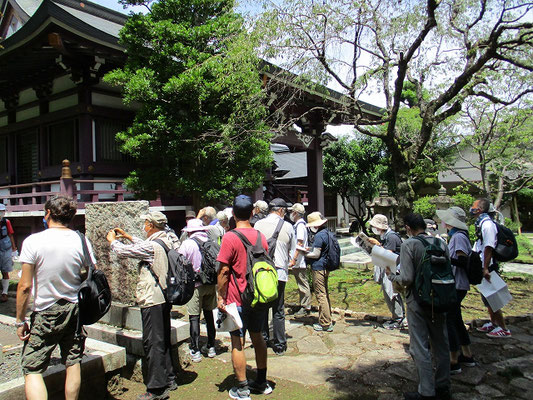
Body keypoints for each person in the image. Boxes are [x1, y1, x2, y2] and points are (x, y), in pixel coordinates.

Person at [16, 195, 93, 400]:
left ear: (48, 213)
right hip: (74, 307)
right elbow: (90, 273)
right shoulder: (82, 240)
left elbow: (24, 286)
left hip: (46, 309)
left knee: (32, 367)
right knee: (73, 360)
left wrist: (20, 319)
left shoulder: (34, 241)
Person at [108, 211, 177, 400]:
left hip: (152, 298)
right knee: (162, 339)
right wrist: (130, 237)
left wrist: (112, 241)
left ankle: (156, 389)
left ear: (152, 226)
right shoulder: (167, 239)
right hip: (164, 297)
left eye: (146, 223)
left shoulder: (153, 246)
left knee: (152, 342)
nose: (144, 226)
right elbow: (145, 246)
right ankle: (169, 378)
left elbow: (123, 252)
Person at [387, 213, 451, 400]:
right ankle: (443, 386)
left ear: (408, 227)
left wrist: (392, 276)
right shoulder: (440, 243)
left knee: (420, 346)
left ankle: (426, 391)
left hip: (418, 300)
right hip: (441, 297)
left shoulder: (410, 244)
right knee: (441, 343)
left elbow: (407, 278)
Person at [217, 195, 271, 399]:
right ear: (251, 213)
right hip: (258, 297)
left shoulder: (230, 237)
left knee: (237, 342)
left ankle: (242, 388)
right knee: (258, 337)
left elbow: (223, 271)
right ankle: (262, 382)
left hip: (236, 299)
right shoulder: (260, 236)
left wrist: (220, 297)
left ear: (233, 213)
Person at [436, 207, 476, 374]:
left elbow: (462, 259)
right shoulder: (458, 236)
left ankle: (453, 360)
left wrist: (443, 258)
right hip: (458, 283)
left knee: (450, 320)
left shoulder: (458, 237)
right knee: (457, 319)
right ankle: (467, 354)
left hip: (457, 282)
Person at [254, 198, 295, 355]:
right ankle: (279, 344)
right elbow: (291, 250)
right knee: (278, 309)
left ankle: (263, 339)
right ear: (281, 211)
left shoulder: (258, 225)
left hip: (262, 272)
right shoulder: (288, 227)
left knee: (262, 306)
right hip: (279, 272)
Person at [471, 198, 511, 338]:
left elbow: (489, 246)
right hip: (483, 264)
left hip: (487, 265)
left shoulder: (487, 225)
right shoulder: (482, 223)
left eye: (474, 206)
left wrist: (485, 267)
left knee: (493, 297)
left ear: (480, 209)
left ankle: (503, 327)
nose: (472, 208)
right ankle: (493, 322)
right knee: (487, 296)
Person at [179, 218, 217, 362]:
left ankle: (195, 350)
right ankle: (211, 346)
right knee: (209, 315)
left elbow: (181, 263)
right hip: (210, 284)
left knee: (194, 316)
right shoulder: (211, 241)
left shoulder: (188, 243)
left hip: (195, 285)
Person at [369, 214, 405, 329]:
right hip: (389, 269)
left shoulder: (391, 237)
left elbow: (388, 254)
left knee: (393, 294)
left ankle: (398, 318)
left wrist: (377, 246)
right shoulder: (386, 236)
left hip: (393, 270)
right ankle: (396, 316)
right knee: (389, 293)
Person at [305, 212, 334, 332]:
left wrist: (304, 253)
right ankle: (327, 317)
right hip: (326, 266)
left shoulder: (318, 236)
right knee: (325, 293)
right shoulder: (327, 233)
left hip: (318, 267)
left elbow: (316, 254)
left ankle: (325, 323)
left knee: (320, 294)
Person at [287, 203, 312, 317]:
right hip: (298, 259)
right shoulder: (298, 225)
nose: (291, 214)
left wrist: (294, 259)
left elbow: (299, 243)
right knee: (300, 283)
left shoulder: (300, 226)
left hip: (299, 260)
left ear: (296, 213)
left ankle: (306, 307)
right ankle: (303, 304)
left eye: (292, 212)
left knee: (302, 283)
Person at [0, 203, 16, 302]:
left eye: (2, 211)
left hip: (5, 248)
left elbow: (10, 235)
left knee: (5, 270)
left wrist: (14, 249)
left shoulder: (7, 222)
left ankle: (4, 293)